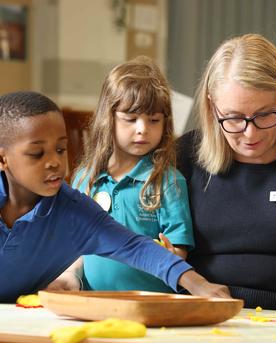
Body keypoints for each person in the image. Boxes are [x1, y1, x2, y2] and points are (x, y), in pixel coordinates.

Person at [0, 91, 230, 304]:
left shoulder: (74, 211)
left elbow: (134, 246)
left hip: (22, 311)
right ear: (0, 159)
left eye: (61, 149)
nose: (54, 162)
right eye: (38, 153)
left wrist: (197, 283)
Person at [176, 34, 276, 311]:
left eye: (263, 115)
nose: (250, 133)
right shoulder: (184, 155)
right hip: (202, 311)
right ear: (212, 106)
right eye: (233, 118)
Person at [53, 56, 193, 292]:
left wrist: (172, 255)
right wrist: (70, 277)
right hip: (94, 301)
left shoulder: (169, 182)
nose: (143, 129)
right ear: (109, 119)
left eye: (154, 120)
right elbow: (77, 248)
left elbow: (180, 249)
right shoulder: (84, 179)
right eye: (130, 119)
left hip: (152, 304)